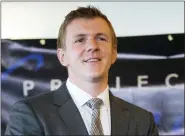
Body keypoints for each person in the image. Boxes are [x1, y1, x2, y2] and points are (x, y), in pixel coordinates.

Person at [5, 6, 159, 135]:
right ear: (62, 56)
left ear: (114, 53)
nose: (92, 46)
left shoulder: (143, 121)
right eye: (80, 40)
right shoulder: (31, 114)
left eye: (101, 38)